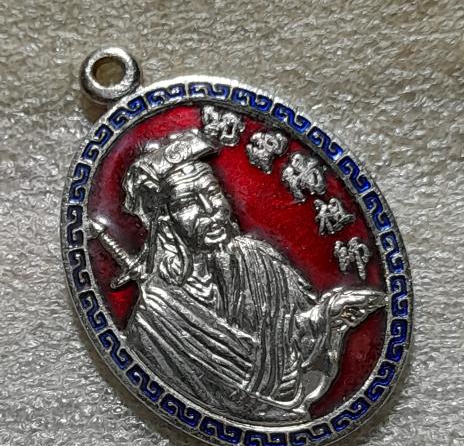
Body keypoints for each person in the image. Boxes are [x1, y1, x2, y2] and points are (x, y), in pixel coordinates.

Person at [92, 129, 385, 422]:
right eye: (188, 203)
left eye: (213, 193)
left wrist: (330, 316)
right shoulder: (155, 321)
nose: (211, 210)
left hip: (292, 414)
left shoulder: (262, 262)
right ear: (166, 222)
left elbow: (296, 334)